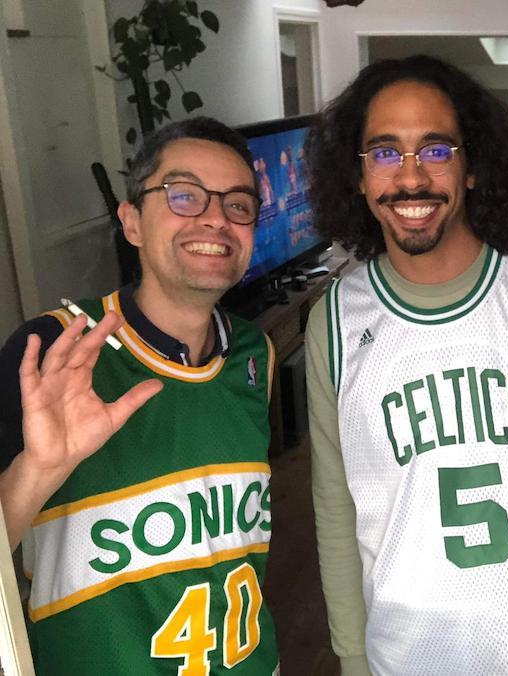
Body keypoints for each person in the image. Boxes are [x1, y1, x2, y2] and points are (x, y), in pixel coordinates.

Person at [304, 55, 508, 676]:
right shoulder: (334, 324)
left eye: (435, 150)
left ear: (473, 166)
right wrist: (350, 656)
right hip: (401, 659)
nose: (410, 178)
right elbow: (335, 505)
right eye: (384, 152)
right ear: (357, 176)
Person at [0, 117, 281, 674]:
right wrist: (39, 469)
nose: (216, 219)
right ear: (131, 222)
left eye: (238, 205)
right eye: (184, 195)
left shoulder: (257, 354)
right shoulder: (52, 351)